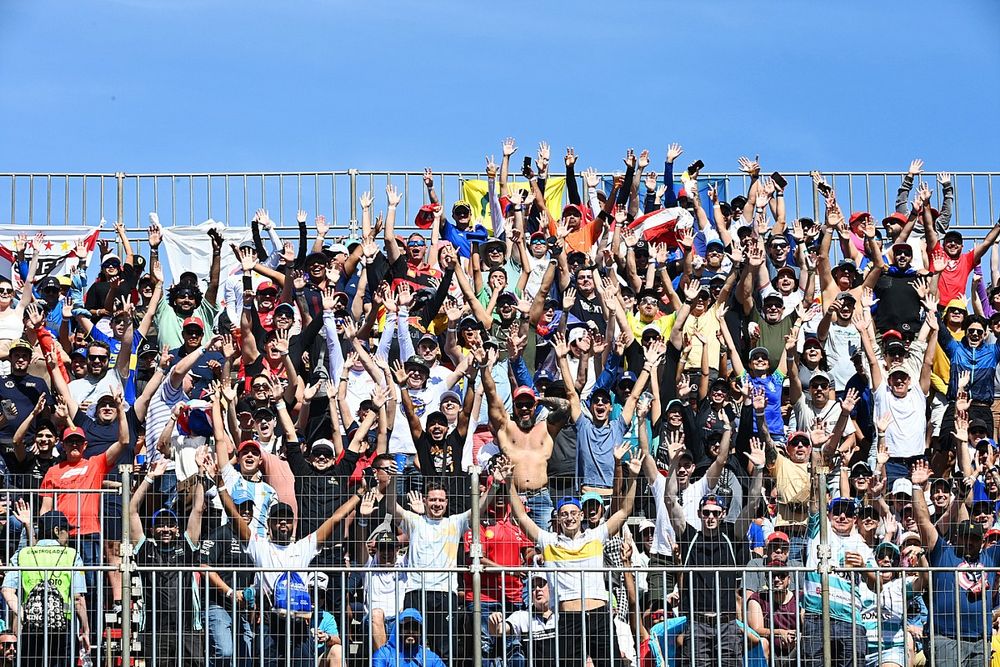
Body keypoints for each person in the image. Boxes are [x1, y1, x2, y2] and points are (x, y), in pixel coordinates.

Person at [508, 444, 644, 667]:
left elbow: (624, 511)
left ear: (581, 515)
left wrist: (634, 477)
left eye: (573, 513)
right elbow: (521, 516)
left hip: (599, 614)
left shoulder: (595, 535)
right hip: (569, 619)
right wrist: (508, 481)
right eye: (564, 515)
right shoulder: (549, 541)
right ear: (558, 519)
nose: (569, 518)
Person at [1, 511, 89, 665]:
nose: (68, 535)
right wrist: (85, 629)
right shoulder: (72, 555)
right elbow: (77, 598)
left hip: (31, 625)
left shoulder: (23, 554)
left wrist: (22, 613)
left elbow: (7, 590)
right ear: (56, 531)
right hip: (62, 625)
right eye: (66, 530)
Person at [371, 608, 446, 667]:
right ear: (399, 630)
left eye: (415, 628)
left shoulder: (430, 658)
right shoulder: (384, 654)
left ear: (421, 633)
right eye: (406, 627)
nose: (411, 631)